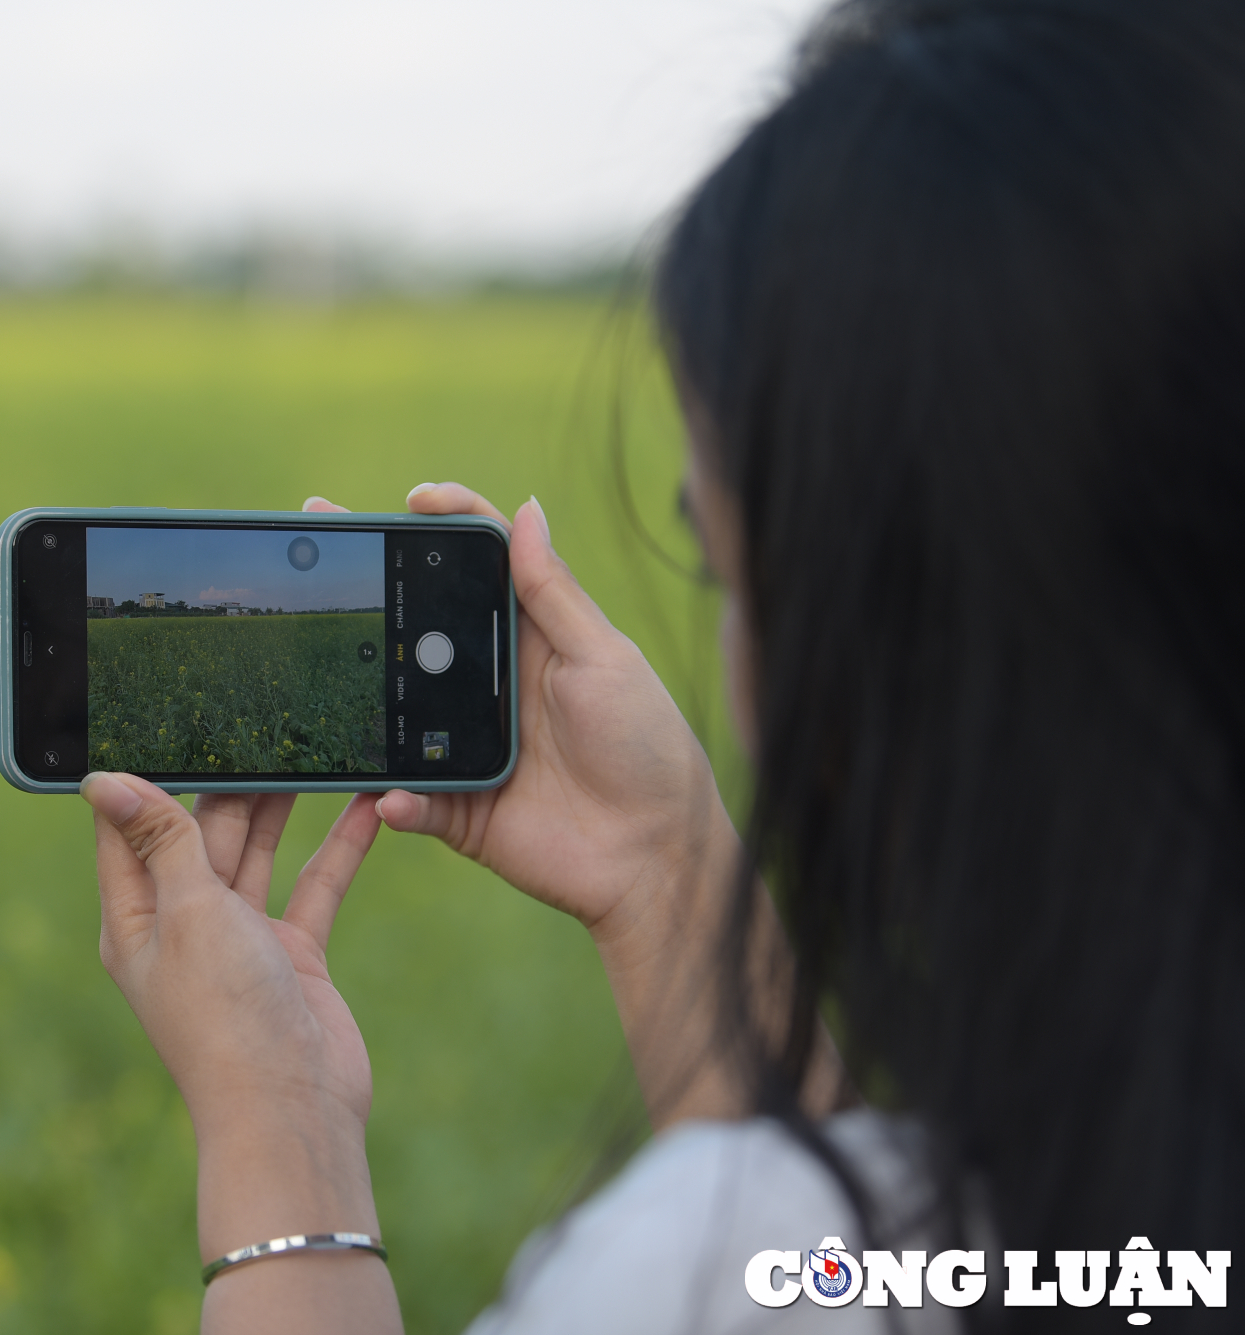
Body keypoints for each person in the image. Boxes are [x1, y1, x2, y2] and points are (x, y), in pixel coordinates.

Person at [77, 0, 1245, 1329]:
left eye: (729, 574)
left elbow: (812, 1276)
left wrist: (274, 1123)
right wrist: (665, 877)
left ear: (907, 636)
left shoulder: (697, 1274)